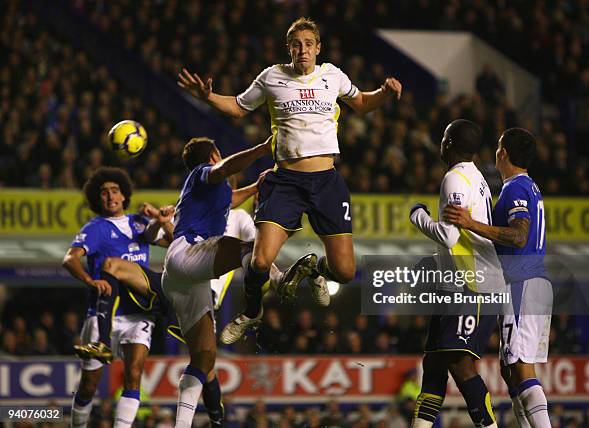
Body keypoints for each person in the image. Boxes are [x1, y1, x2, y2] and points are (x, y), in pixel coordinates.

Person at [177, 17, 402, 341]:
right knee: (260, 260)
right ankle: (252, 312)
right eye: (297, 45)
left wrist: (383, 91)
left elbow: (363, 104)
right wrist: (207, 97)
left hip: (326, 181)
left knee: (346, 271)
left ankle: (315, 270)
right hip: (285, 181)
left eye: (309, 44)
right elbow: (239, 108)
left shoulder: (332, 75)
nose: (303, 50)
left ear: (318, 48)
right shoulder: (272, 76)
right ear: (289, 49)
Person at [161, 136, 316, 428]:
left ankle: (181, 424)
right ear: (214, 155)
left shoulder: (212, 195)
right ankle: (275, 283)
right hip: (187, 255)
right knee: (249, 250)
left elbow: (230, 199)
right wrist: (260, 150)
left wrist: (256, 187)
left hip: (184, 279)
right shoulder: (202, 174)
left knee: (204, 358)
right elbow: (221, 171)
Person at [443, 128, 551, 427]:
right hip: (532, 282)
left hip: (522, 282)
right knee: (509, 368)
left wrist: (470, 223)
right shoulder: (528, 186)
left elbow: (518, 236)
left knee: (520, 368)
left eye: (499, 146)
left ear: (503, 153)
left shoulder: (516, 188)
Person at [409, 119, 505, 428]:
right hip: (458, 286)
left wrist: (418, 215)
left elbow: (449, 236)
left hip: (473, 286)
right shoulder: (476, 176)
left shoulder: (454, 179)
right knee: (434, 362)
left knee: (460, 363)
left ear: (448, 144)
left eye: (443, 137)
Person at [62, 167, 175, 428]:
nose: (110, 196)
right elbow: (69, 259)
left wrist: (160, 217)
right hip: (103, 314)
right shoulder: (95, 228)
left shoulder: (139, 222)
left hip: (138, 312)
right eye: (104, 192)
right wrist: (90, 280)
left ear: (124, 195)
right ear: (97, 199)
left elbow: (172, 242)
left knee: (134, 375)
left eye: (115, 190)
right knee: (89, 385)